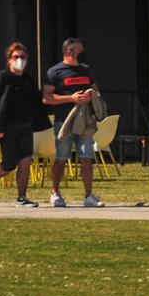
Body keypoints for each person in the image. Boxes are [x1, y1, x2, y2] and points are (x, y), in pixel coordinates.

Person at [0, 42, 51, 207]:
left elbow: (36, 102)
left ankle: (22, 197)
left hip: (25, 127)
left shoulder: (27, 79)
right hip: (7, 129)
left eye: (22, 57)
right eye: (16, 57)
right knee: (9, 164)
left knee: (25, 162)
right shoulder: (2, 78)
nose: (20, 60)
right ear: (9, 60)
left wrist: (40, 123)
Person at [43, 38, 103, 208]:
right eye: (79, 51)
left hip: (85, 121)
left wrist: (90, 96)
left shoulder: (86, 69)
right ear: (69, 51)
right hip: (64, 121)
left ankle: (89, 195)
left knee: (86, 157)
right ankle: (55, 193)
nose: (82, 54)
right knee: (61, 158)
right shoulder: (55, 72)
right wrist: (71, 98)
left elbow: (94, 88)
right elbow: (47, 98)